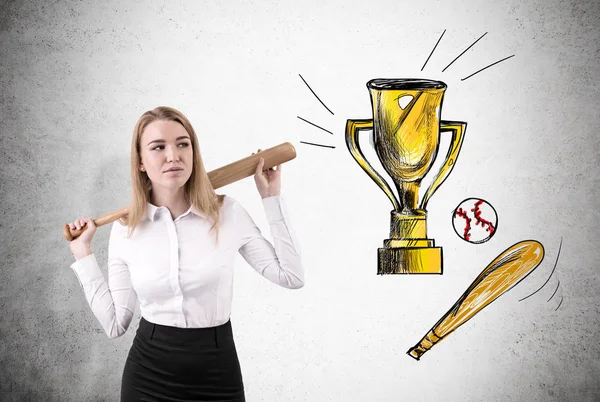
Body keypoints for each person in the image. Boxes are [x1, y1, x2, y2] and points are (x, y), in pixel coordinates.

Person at [67, 106, 304, 402]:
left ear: (194, 151)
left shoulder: (227, 213)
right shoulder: (125, 229)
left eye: (183, 143)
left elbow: (291, 276)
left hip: (217, 374)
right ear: (141, 162)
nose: (173, 155)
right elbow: (116, 324)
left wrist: (271, 198)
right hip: (148, 376)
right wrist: (83, 254)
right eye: (158, 147)